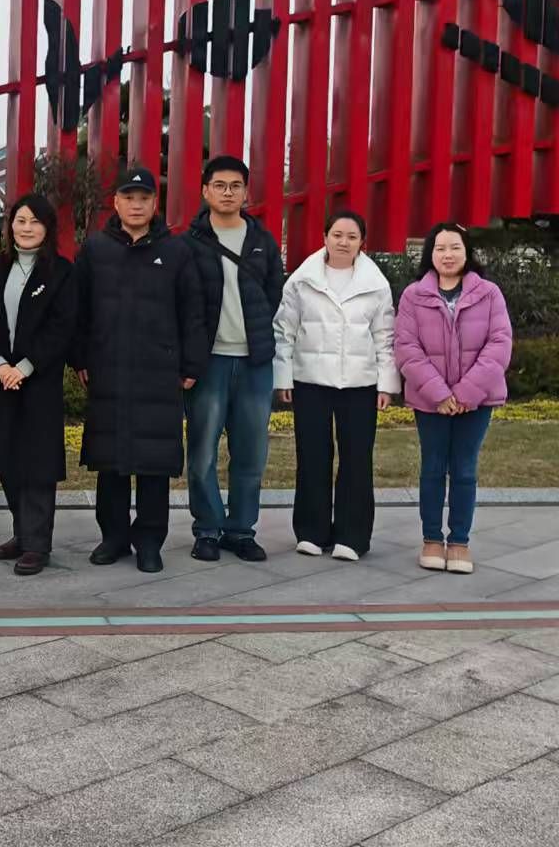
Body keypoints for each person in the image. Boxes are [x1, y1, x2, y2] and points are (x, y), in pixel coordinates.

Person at [74, 165, 208, 573]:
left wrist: (191, 362)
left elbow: (193, 312)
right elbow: (79, 309)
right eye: (128, 198)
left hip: (159, 371)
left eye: (144, 198)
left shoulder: (177, 251)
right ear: (116, 203)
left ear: (154, 204)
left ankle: (150, 541)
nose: (136, 205)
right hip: (108, 368)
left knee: (154, 463)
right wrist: (81, 357)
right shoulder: (95, 249)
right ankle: (113, 537)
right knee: (110, 461)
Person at [272, 209, 400, 561]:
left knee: (357, 459)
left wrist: (385, 385)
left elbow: (385, 336)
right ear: (325, 237)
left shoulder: (376, 284)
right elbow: (285, 331)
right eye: (337, 235)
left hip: (360, 383)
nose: (344, 242)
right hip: (310, 380)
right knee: (312, 456)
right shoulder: (302, 280)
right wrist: (284, 376)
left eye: (352, 237)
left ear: (362, 242)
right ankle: (311, 532)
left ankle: (352, 536)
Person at [180, 154, 286, 563]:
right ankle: (207, 528)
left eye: (236, 186)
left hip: (254, 362)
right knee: (202, 452)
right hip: (209, 363)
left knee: (250, 453)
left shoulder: (262, 241)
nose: (228, 193)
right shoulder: (188, 243)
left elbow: (273, 292)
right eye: (220, 185)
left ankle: (241, 530)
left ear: (245, 193)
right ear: (205, 191)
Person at [0, 193, 78, 575]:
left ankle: (37, 543)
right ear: (10, 225)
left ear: (48, 228)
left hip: (38, 381)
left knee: (38, 465)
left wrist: (26, 367)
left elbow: (62, 327)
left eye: (35, 221)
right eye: (20, 220)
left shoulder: (61, 272)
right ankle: (22, 532)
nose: (27, 228)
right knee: (8, 460)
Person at [394, 222, 513, 576]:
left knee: (464, 469)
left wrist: (464, 394)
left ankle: (459, 541)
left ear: (467, 252)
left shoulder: (489, 293)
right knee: (432, 468)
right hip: (430, 401)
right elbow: (406, 348)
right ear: (430, 254)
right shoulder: (414, 295)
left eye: (455, 247)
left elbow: (499, 345)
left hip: (476, 402)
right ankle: (432, 539)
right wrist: (440, 394)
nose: (448, 255)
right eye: (440, 248)